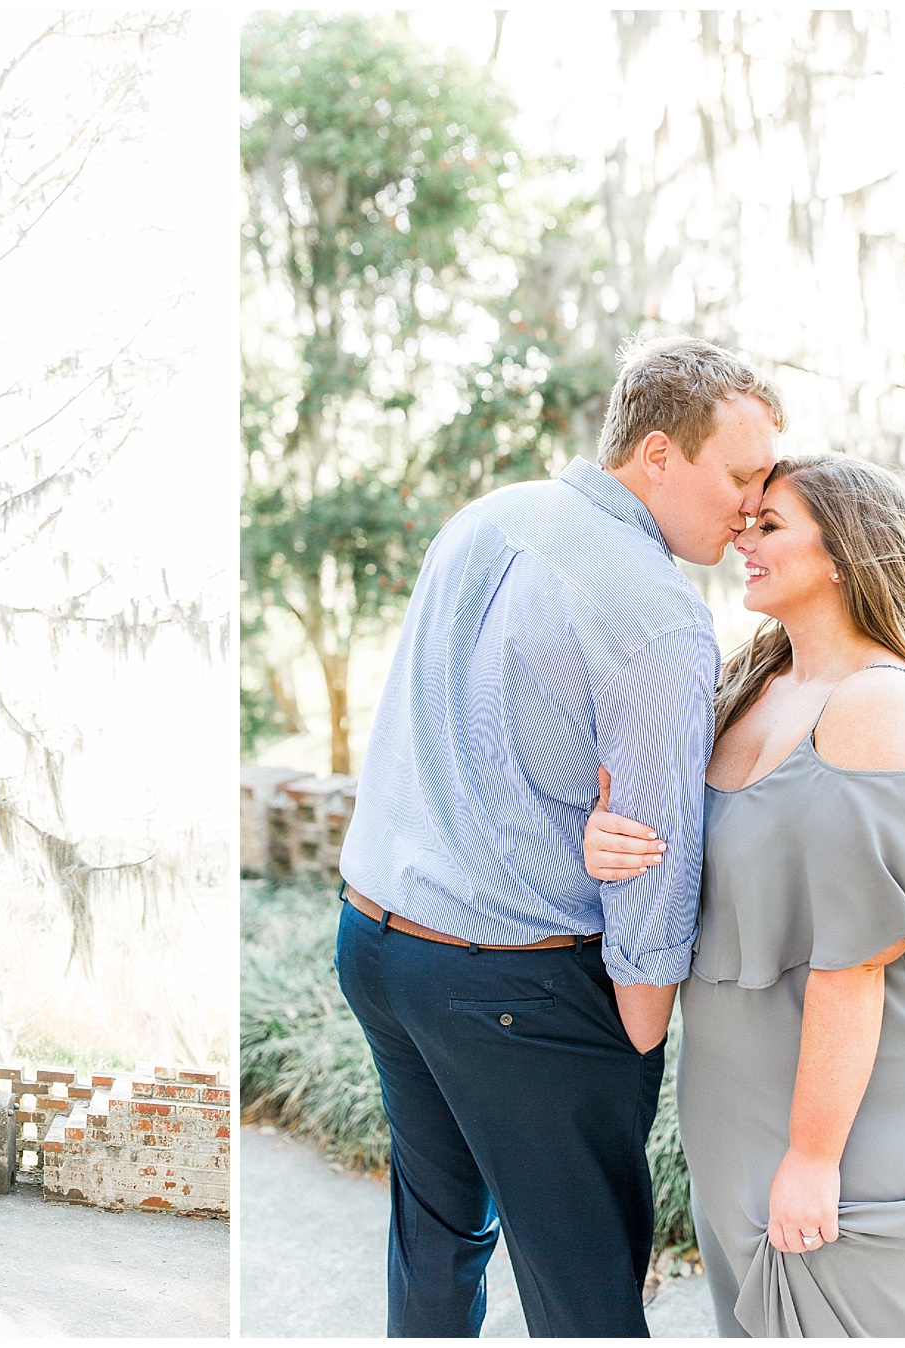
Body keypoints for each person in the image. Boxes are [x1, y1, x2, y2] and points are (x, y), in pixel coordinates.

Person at [335, 336, 782, 1336]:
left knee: (436, 1242)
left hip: (373, 944)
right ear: (657, 455)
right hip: (516, 992)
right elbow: (656, 864)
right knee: (588, 1296)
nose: (753, 504)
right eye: (741, 474)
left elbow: (448, 740)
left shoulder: (488, 517)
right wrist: (638, 1028)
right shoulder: (660, 614)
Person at [584, 454, 905, 1336]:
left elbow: (855, 961)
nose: (743, 534)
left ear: (845, 556)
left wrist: (814, 1159)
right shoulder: (752, 684)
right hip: (740, 1094)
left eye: (770, 524)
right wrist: (606, 837)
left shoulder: (878, 706)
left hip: (867, 1113)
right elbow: (685, 848)